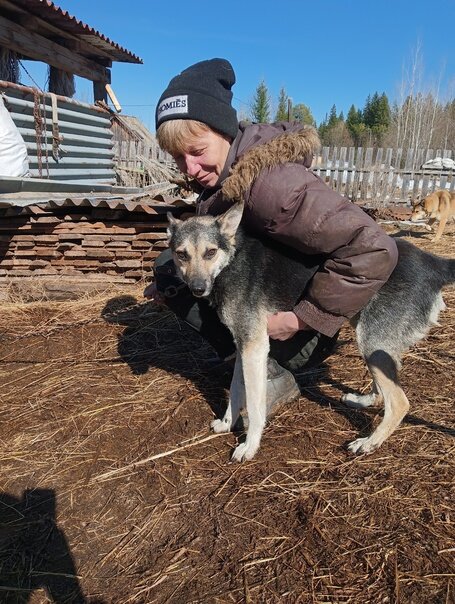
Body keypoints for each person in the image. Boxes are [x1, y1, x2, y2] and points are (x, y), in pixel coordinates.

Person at [146, 58, 398, 416]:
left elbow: (376, 249)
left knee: (175, 270)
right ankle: (247, 356)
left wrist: (300, 319)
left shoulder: (272, 187)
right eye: (177, 157)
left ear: (224, 131)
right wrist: (177, 277)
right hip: (279, 296)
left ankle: (272, 368)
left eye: (197, 152)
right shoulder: (226, 174)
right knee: (170, 267)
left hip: (304, 321)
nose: (189, 168)